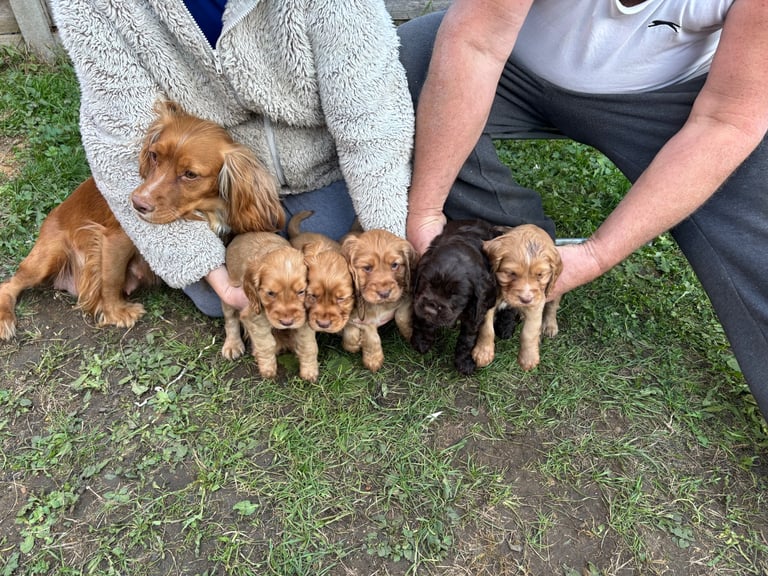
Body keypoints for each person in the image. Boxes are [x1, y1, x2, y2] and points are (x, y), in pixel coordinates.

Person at [397, 1, 768, 420]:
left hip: (674, 96)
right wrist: (425, 210)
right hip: (511, 61)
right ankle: (517, 238)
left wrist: (597, 255)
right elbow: (476, 41)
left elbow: (727, 120)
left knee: (753, 222)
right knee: (402, 64)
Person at [48, 0, 414, 316]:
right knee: (219, 298)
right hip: (226, 188)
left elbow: (371, 119)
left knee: (332, 271)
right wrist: (216, 277)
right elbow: (120, 143)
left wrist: (387, 251)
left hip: (320, 164)